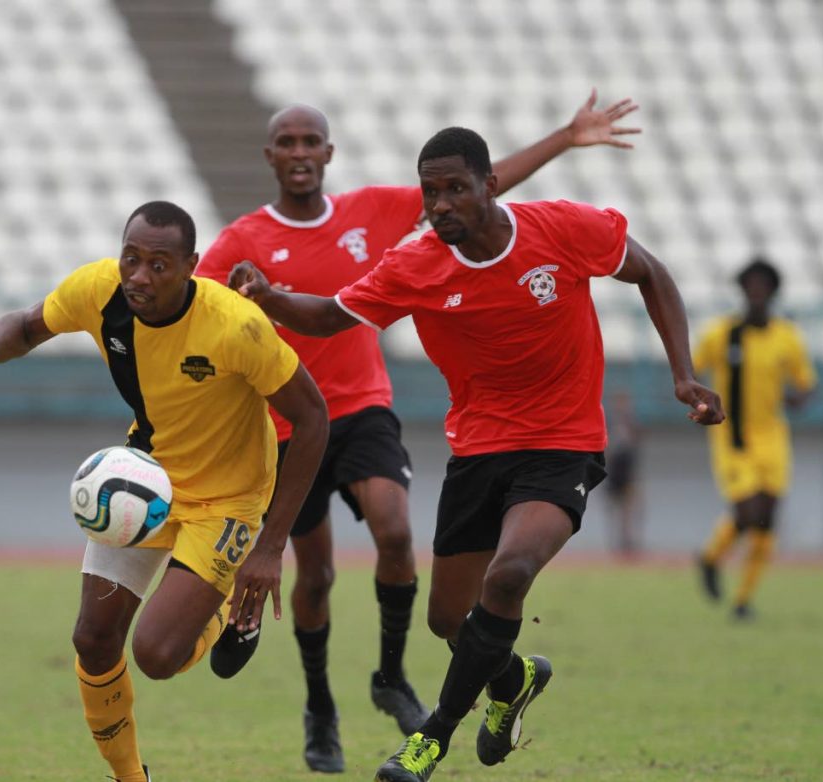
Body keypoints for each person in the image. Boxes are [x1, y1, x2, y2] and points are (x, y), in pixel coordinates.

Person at [227, 126, 724, 782]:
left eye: (455, 189)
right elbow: (327, 317)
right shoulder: (416, 264)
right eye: (430, 192)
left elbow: (651, 271)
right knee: (448, 621)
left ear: (490, 185)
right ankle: (513, 677)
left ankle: (430, 739)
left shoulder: (564, 229)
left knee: (510, 574)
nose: (440, 205)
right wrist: (268, 297)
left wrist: (682, 373)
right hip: (478, 450)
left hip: (562, 444)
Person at [0, 201, 329, 782]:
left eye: (160, 264)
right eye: (131, 258)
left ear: (192, 266)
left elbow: (314, 416)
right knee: (93, 638)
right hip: (147, 482)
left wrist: (270, 549)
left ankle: (225, 613)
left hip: (230, 499)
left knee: (157, 656)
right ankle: (130, 778)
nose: (140, 275)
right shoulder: (100, 290)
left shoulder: (236, 325)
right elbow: (25, 325)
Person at [695, 257, 816, 620]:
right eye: (751, 285)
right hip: (733, 437)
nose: (757, 291)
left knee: (768, 521)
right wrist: (700, 402)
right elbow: (691, 370)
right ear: (743, 290)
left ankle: (743, 601)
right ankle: (711, 558)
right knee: (749, 513)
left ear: (773, 291)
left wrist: (798, 398)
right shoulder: (721, 333)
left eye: (764, 285)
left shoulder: (786, 336)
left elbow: (805, 384)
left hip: (773, 437)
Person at [603, 389, 642, 555]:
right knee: (615, 508)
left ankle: (628, 540)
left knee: (631, 507)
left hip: (627, 471)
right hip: (613, 471)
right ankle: (617, 541)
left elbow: (636, 444)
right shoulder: (608, 423)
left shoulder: (630, 422)